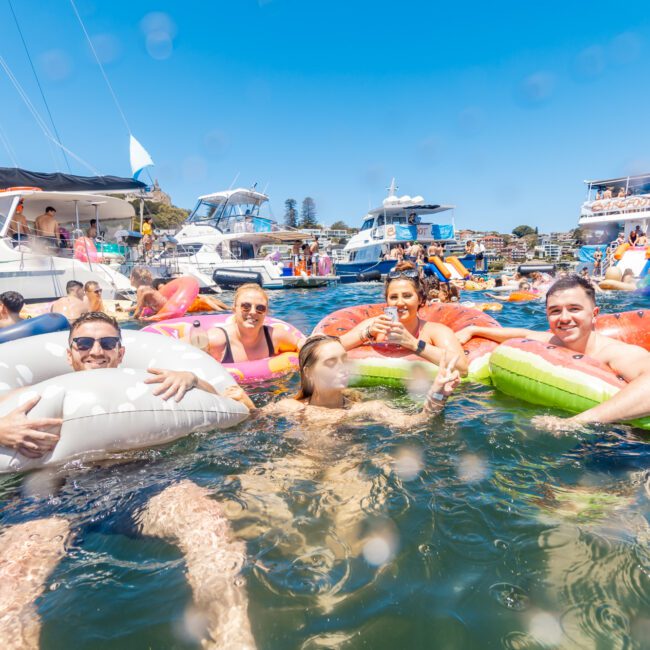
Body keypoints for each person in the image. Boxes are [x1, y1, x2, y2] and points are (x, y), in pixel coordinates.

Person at [0, 312, 257, 646]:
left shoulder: (147, 385)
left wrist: (195, 380)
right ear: (69, 353)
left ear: (121, 353)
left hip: (138, 480)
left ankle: (233, 638)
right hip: (53, 491)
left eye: (107, 343)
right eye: (84, 343)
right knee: (15, 571)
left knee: (206, 520)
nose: (96, 351)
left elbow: (235, 406)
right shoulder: (31, 394)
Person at [455, 275, 650, 430]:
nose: (564, 318)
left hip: (630, 440)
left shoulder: (617, 353)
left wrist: (575, 423)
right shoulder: (552, 342)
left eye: (574, 309)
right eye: (555, 311)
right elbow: (524, 333)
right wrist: (474, 330)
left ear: (594, 314)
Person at [261, 333, 460, 424]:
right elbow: (250, 416)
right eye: (331, 362)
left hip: (346, 466)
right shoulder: (291, 408)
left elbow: (417, 422)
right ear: (308, 372)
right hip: (294, 464)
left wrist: (436, 397)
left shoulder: (367, 408)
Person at [338, 262, 468, 375]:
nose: (399, 303)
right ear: (387, 301)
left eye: (407, 296)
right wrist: (367, 333)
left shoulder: (435, 331)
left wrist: (413, 343)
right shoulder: (375, 326)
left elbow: (462, 368)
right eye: (393, 297)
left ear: (420, 299)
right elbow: (328, 349)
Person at [205, 283, 304, 363]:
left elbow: (302, 344)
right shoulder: (216, 341)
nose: (253, 312)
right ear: (234, 309)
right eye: (246, 306)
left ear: (266, 312)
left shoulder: (275, 337)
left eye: (260, 308)